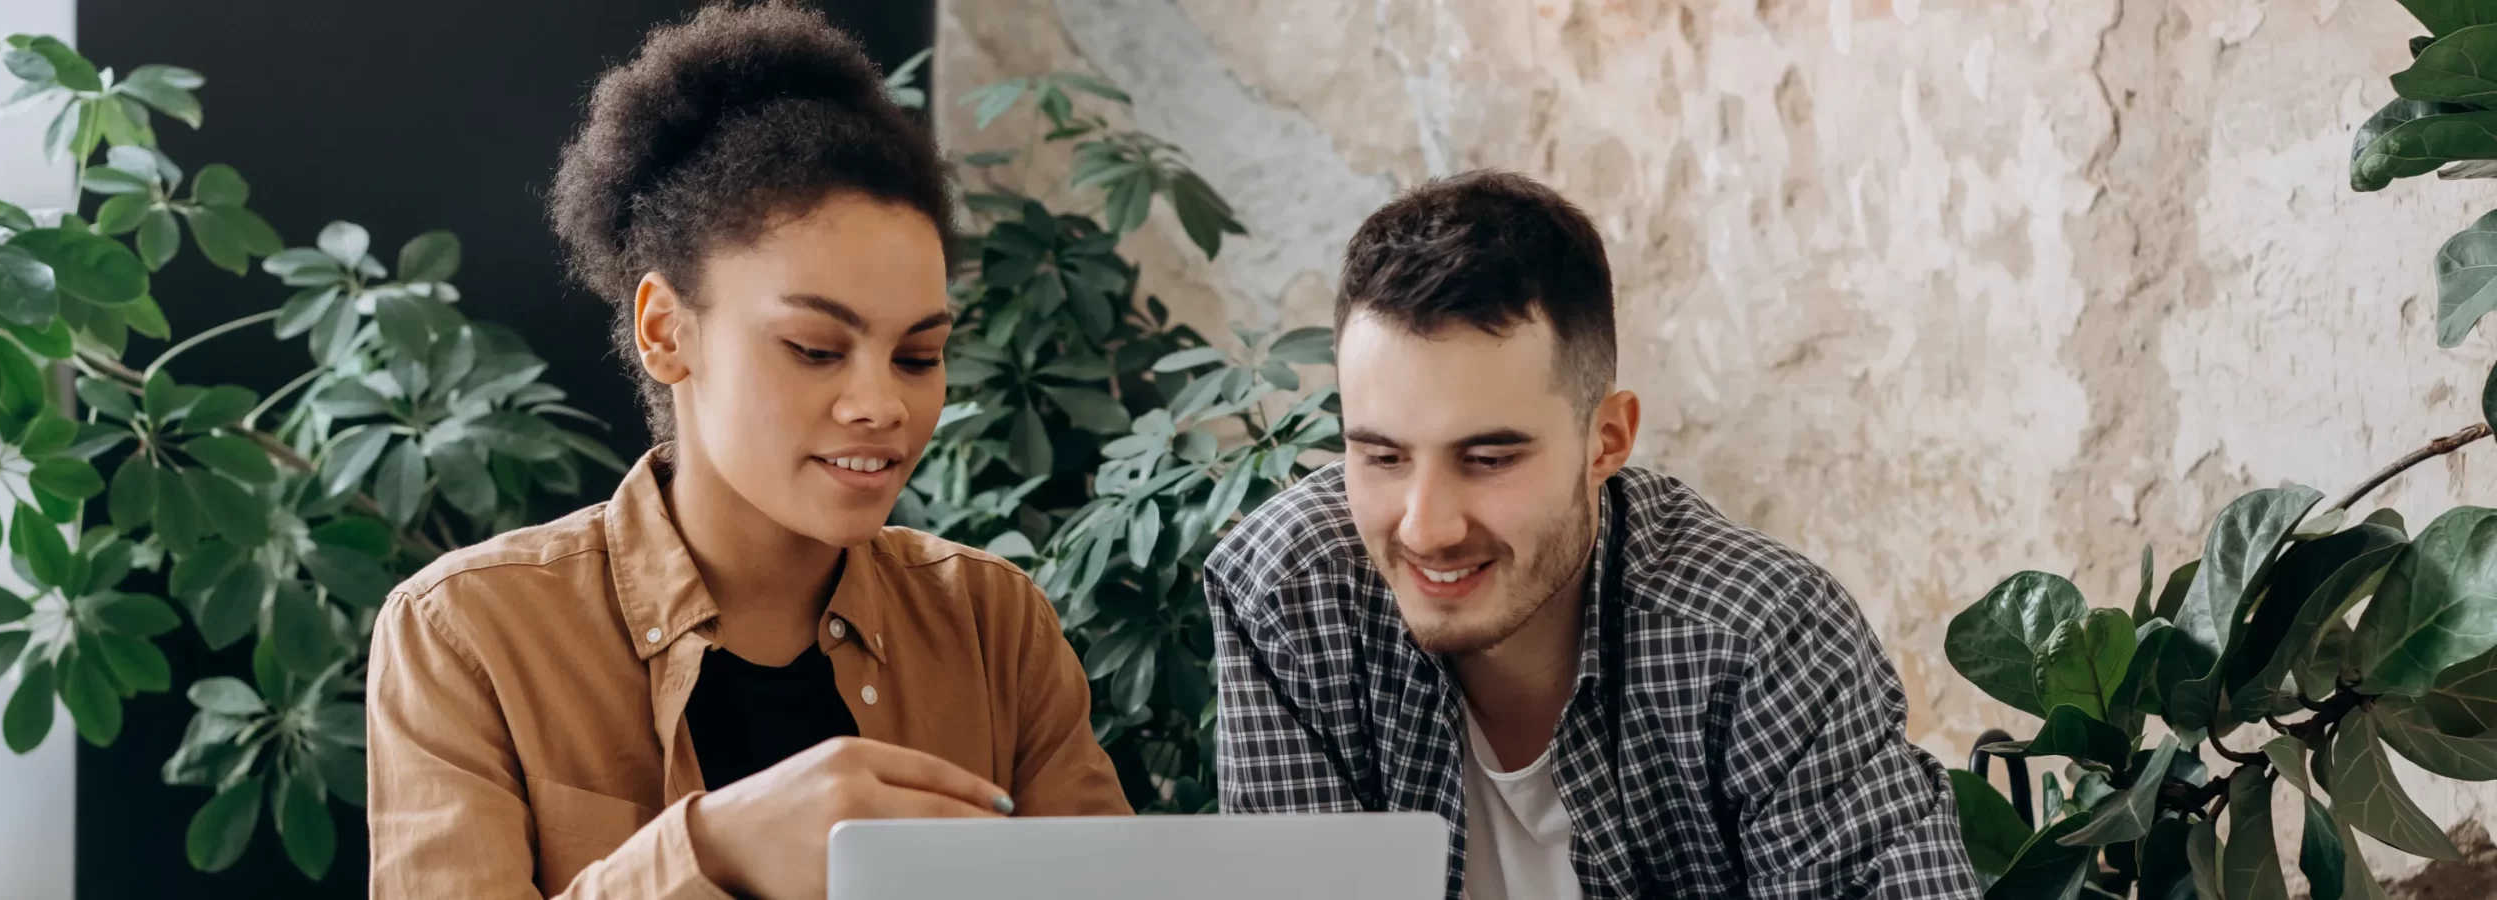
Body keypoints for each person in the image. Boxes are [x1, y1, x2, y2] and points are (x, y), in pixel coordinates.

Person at [365, 4, 1129, 898]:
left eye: (919, 355)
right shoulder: (471, 636)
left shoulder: (993, 627)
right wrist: (709, 850)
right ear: (666, 331)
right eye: (814, 348)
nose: (882, 403)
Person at [1204, 171, 1976, 900]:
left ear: (1605, 439)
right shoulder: (1287, 595)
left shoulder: (1762, 638)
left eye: (1489, 458)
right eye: (1381, 456)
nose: (1427, 527)